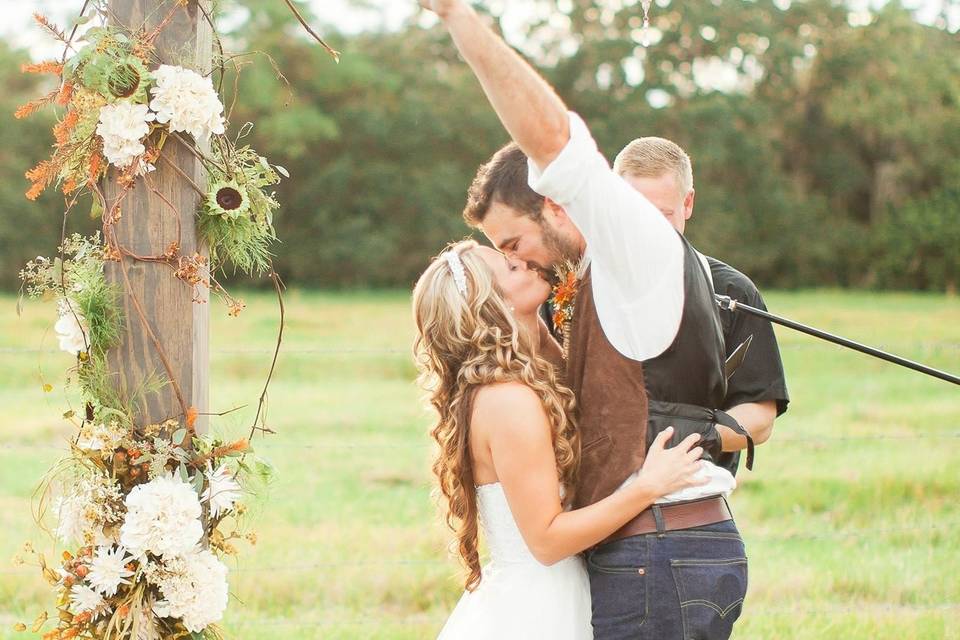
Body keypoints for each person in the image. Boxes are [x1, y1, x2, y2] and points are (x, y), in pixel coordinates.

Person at [418, 1, 753, 637]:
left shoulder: (630, 241)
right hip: (645, 554)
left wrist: (461, 19)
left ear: (553, 204)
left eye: (514, 244)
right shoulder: (584, 284)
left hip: (661, 553)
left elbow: (554, 140)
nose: (517, 264)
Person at [412, 240, 707, 639]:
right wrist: (648, 486)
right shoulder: (508, 401)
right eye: (510, 268)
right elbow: (547, 541)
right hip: (540, 609)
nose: (523, 261)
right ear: (493, 308)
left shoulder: (516, 382)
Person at [612, 137, 790, 473]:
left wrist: (689, 439)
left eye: (662, 215)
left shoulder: (733, 291)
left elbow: (761, 416)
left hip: (696, 498)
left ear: (688, 203)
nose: (646, 229)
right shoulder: (578, 284)